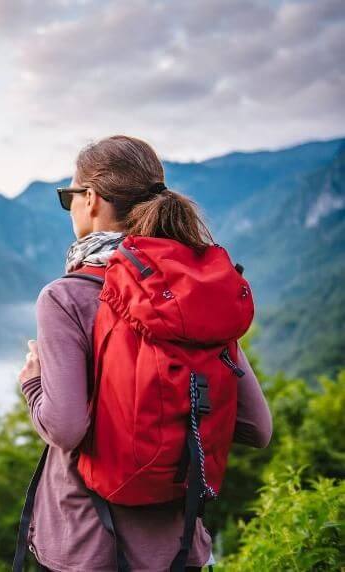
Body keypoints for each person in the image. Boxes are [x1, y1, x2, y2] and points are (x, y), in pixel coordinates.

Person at [17, 135, 273, 572]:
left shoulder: (66, 297)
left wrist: (33, 382)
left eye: (69, 197)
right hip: (181, 549)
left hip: (89, 548)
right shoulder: (196, 294)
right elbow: (257, 427)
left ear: (91, 199)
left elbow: (64, 428)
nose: (71, 208)